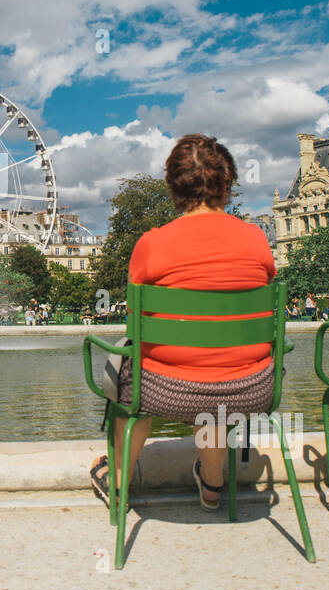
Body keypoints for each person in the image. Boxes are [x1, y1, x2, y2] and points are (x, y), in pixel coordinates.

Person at [89, 135, 278, 512]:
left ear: (173, 185)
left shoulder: (153, 243)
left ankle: (120, 485)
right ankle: (212, 484)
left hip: (165, 390)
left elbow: (136, 325)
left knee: (131, 381)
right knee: (219, 368)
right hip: (250, 387)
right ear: (228, 184)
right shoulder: (257, 239)